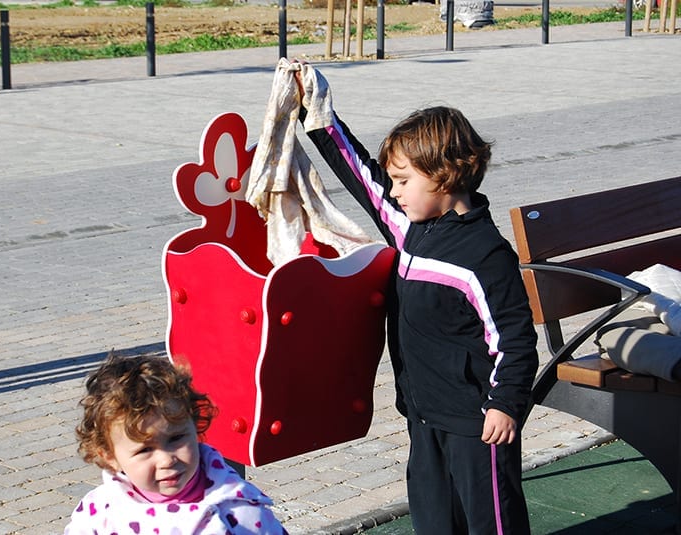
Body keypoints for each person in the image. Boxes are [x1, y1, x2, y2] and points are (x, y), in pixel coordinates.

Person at [290, 60, 539, 534]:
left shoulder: (484, 255)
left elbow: (514, 338)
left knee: (491, 522)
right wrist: (319, 114)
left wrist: (506, 403)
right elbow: (360, 176)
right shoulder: (409, 228)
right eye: (395, 182)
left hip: (477, 423)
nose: (395, 192)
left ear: (445, 175)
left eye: (404, 181)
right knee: (434, 520)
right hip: (423, 415)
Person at [64, 352, 287, 535]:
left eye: (176, 438)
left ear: (195, 425)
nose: (166, 459)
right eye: (145, 449)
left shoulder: (238, 507)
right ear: (109, 457)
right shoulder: (101, 515)